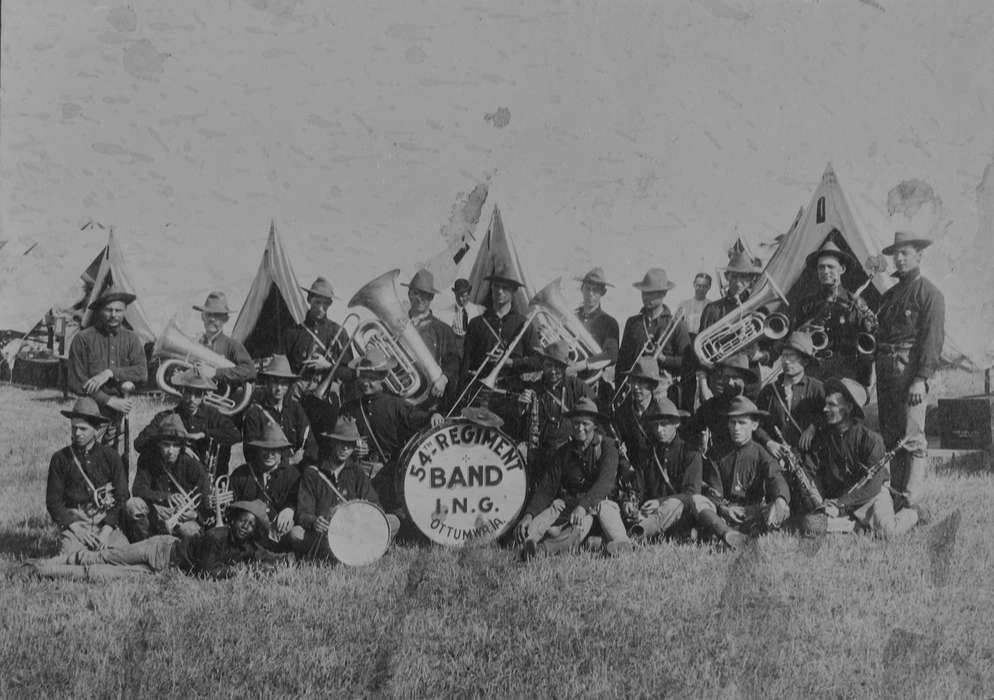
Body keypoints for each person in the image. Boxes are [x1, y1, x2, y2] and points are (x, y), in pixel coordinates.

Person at [29, 500, 284, 580]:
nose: (245, 527)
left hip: (166, 570)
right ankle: (54, 561)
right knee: (106, 555)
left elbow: (262, 555)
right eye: (243, 520)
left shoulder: (247, 546)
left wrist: (280, 559)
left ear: (253, 532)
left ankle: (46, 571)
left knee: (102, 574)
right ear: (234, 519)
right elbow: (207, 570)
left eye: (251, 525)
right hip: (161, 548)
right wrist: (234, 573)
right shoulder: (216, 536)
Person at [801, 378, 927, 537]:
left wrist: (840, 505)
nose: (825, 409)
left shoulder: (871, 440)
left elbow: (873, 486)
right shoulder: (823, 438)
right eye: (825, 404)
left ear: (849, 407)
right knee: (811, 524)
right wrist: (818, 503)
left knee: (887, 531)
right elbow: (809, 470)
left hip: (871, 496)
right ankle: (857, 527)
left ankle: (913, 513)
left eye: (832, 405)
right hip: (841, 500)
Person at [874, 231, 944, 509]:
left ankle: (911, 501)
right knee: (891, 436)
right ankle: (896, 496)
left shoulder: (930, 293)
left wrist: (920, 379)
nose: (899, 259)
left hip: (909, 372)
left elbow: (932, 340)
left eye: (906, 253)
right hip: (886, 372)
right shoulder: (889, 295)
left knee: (912, 438)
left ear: (919, 256)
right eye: (896, 254)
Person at [516, 398, 632, 558]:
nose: (580, 428)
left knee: (591, 517)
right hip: (573, 505)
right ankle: (528, 541)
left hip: (599, 504)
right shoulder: (564, 452)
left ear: (595, 425)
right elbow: (547, 487)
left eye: (585, 424)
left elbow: (605, 483)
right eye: (576, 423)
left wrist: (582, 507)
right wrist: (529, 514)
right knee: (555, 507)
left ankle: (621, 544)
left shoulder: (608, 446)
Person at [342, 347, 443, 523]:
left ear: (382, 378)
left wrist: (433, 415)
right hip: (356, 472)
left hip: (387, 472)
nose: (366, 382)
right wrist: (352, 448)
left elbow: (417, 418)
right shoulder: (349, 408)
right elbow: (338, 441)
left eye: (372, 378)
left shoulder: (395, 405)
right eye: (364, 377)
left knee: (393, 514)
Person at [290, 417, 400, 560]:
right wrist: (315, 521)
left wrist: (359, 516)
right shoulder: (312, 474)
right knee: (296, 533)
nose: (345, 448)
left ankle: (346, 551)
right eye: (341, 443)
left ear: (355, 447)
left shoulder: (356, 472)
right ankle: (362, 550)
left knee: (393, 521)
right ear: (332, 442)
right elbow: (303, 513)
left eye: (350, 444)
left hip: (354, 531)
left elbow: (375, 506)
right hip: (326, 534)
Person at [692, 396, 791, 549]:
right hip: (723, 512)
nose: (736, 428)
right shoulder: (717, 453)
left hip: (750, 511)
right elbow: (711, 489)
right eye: (733, 422)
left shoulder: (761, 454)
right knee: (699, 502)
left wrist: (780, 500)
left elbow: (776, 478)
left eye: (742, 423)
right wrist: (724, 508)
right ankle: (727, 534)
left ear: (754, 425)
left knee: (778, 507)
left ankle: (737, 534)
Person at [458, 263, 540, 434]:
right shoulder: (476, 324)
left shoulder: (524, 324)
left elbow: (537, 361)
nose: (499, 291)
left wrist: (510, 362)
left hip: (511, 397)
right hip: (480, 396)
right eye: (496, 286)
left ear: (514, 291)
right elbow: (466, 363)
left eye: (505, 287)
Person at [45, 397, 130, 554]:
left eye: (83, 429)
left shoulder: (111, 456)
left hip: (104, 522)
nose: (77, 433)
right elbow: (53, 502)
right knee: (69, 554)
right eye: (74, 428)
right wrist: (75, 528)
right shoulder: (60, 458)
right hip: (76, 522)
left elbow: (122, 496)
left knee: (122, 552)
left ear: (96, 430)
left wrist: (106, 531)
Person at [66, 285, 148, 448]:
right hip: (90, 411)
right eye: (108, 310)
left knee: (115, 461)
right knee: (87, 456)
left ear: (125, 311)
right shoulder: (83, 339)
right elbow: (76, 381)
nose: (113, 315)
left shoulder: (132, 339)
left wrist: (110, 372)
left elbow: (142, 372)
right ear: (99, 310)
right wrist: (109, 400)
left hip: (120, 410)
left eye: (118, 310)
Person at [792, 238, 878, 385]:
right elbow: (793, 339)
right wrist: (803, 330)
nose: (825, 271)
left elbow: (869, 344)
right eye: (821, 267)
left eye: (831, 267)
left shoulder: (856, 303)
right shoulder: (807, 304)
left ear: (842, 269)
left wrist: (863, 381)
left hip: (846, 372)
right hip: (814, 370)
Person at [281, 277, 353, 434]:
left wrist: (328, 366)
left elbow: (350, 373)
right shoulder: (293, 333)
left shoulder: (338, 332)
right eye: (317, 302)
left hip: (327, 397)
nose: (321, 307)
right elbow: (283, 369)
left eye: (325, 303)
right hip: (298, 394)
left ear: (330, 304)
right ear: (309, 299)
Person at [133, 368, 240, 472]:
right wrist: (179, 447)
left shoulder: (212, 415)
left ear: (203, 395)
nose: (192, 399)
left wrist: (204, 434)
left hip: (203, 479)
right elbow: (139, 443)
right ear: (181, 391)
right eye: (188, 392)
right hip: (175, 478)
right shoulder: (166, 416)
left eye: (197, 394)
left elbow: (235, 435)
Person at [516, 340, 594, 479]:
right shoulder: (534, 387)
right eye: (548, 365)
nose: (553, 371)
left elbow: (595, 417)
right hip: (541, 456)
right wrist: (521, 408)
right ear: (542, 365)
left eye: (557, 367)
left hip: (570, 457)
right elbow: (521, 429)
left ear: (564, 367)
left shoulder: (577, 386)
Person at [126, 414, 211, 540]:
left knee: (190, 532)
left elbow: (205, 498)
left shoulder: (191, 462)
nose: (170, 451)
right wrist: (165, 497)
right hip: (156, 514)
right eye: (166, 445)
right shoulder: (148, 458)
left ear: (182, 446)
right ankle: (144, 543)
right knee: (133, 504)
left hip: (183, 520)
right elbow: (138, 489)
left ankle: (175, 552)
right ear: (158, 444)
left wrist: (195, 515)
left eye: (175, 445)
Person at [628, 399, 703, 540]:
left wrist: (660, 502)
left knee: (674, 504)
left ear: (677, 424)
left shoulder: (690, 453)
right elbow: (638, 487)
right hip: (651, 513)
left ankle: (636, 535)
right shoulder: (648, 454)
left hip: (681, 514)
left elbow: (692, 494)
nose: (659, 430)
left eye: (664, 424)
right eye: (655, 425)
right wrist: (633, 505)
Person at [617, 269, 691, 405]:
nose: (645, 297)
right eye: (644, 292)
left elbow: (687, 363)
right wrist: (618, 389)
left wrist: (664, 359)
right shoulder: (633, 323)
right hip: (634, 391)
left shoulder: (677, 325)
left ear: (664, 293)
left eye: (651, 293)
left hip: (663, 393)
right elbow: (622, 361)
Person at [228, 423, 301, 551]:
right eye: (265, 449)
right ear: (258, 450)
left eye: (275, 450)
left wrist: (290, 509)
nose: (269, 454)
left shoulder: (292, 475)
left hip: (279, 534)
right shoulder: (241, 474)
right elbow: (231, 508)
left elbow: (300, 502)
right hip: (247, 534)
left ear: (282, 451)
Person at [241, 355, 318, 467]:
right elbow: (251, 454)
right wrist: (288, 462)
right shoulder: (255, 413)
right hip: (266, 473)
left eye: (284, 383)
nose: (279, 388)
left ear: (288, 385)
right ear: (267, 383)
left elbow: (311, 446)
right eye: (275, 382)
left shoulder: (295, 409)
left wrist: (302, 459)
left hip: (293, 473)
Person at [756, 331, 825, 456]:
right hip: (774, 461)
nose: (786, 361)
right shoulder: (769, 391)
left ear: (805, 361)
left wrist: (813, 427)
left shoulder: (817, 389)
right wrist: (768, 442)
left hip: (808, 462)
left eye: (792, 356)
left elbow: (830, 416)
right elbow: (756, 424)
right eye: (784, 356)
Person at [401, 269, 461, 411]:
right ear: (409, 294)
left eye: (426, 295)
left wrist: (444, 378)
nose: (420, 299)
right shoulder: (396, 326)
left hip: (428, 401)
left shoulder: (443, 330)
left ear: (432, 298)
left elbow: (453, 362)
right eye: (416, 293)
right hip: (398, 398)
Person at [610, 357, 666, 471]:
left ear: (652, 385)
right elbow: (614, 445)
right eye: (633, 381)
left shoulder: (663, 411)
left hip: (661, 472)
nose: (635, 387)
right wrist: (625, 465)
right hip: (635, 473)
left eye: (641, 382)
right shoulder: (623, 413)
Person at [192, 291, 257, 387]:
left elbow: (250, 371)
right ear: (203, 317)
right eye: (209, 314)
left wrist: (216, 373)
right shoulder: (195, 343)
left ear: (225, 319)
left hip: (218, 398)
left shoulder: (233, 345)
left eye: (217, 315)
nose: (212, 319)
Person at [698, 250, 763, 333]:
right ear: (727, 277)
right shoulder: (712, 309)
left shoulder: (758, 307)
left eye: (743, 277)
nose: (738, 283)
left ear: (750, 280)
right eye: (734, 277)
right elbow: (702, 344)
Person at [572, 267, 620, 377]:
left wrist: (581, 365)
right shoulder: (571, 317)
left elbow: (611, 355)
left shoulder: (609, 323)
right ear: (581, 289)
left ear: (603, 293)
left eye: (595, 290)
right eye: (587, 288)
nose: (590, 293)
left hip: (592, 380)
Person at [438, 278, 484, 352]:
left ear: (469, 295)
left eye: (463, 296)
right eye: (457, 295)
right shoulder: (447, 313)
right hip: (455, 346)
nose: (460, 299)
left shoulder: (479, 310)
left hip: (472, 345)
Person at [677, 272, 713, 338]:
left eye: (704, 286)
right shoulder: (684, 304)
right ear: (694, 284)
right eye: (698, 286)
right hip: (686, 339)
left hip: (703, 340)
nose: (701, 289)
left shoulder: (712, 306)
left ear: (709, 287)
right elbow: (677, 326)